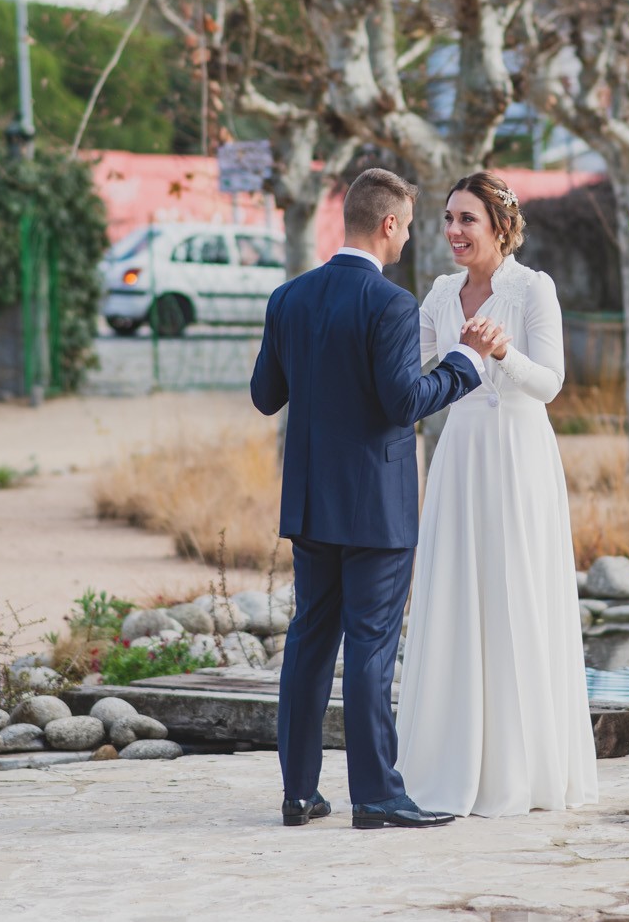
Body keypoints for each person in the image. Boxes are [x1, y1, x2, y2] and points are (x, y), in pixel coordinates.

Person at [249, 167, 505, 830]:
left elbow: (264, 395)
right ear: (389, 224)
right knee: (369, 647)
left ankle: (299, 793)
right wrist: (464, 366)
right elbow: (403, 404)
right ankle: (377, 796)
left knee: (309, 642)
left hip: (311, 500)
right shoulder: (392, 305)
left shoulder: (289, 298)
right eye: (413, 223)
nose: (415, 235)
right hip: (376, 509)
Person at [395, 170, 599, 816]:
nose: (453, 230)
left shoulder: (531, 288)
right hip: (460, 452)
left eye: (466, 219)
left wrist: (504, 351)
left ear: (499, 226)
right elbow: (415, 368)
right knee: (457, 592)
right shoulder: (439, 291)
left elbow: (551, 383)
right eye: (449, 218)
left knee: (516, 593)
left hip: (517, 454)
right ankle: (450, 763)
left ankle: (522, 769)